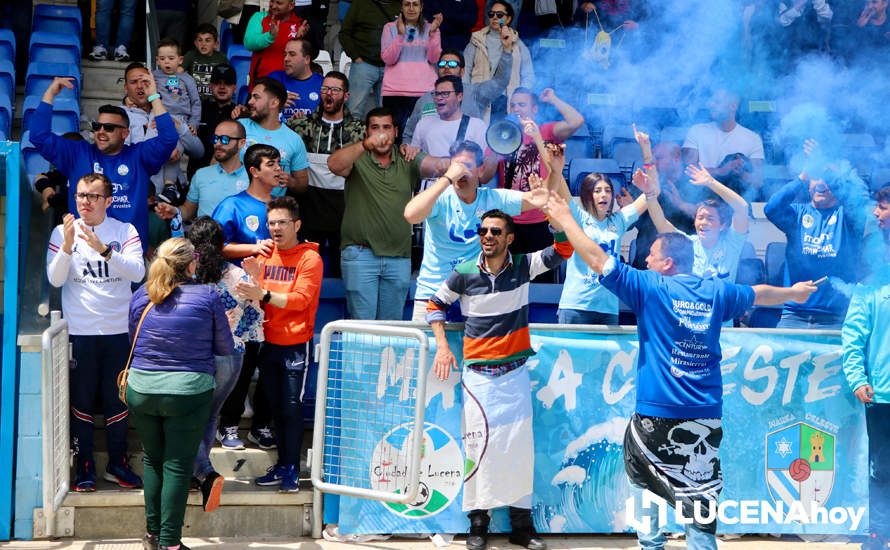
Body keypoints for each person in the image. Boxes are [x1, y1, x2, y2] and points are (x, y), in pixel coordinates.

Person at [545, 188, 817, 550]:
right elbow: (760, 292)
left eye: (651, 256)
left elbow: (597, 259)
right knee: (701, 501)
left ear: (668, 262)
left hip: (656, 415)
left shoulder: (649, 286)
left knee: (644, 482)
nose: (645, 262)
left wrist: (565, 219)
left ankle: (651, 544)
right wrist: (794, 293)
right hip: (707, 418)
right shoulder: (716, 291)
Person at [427, 209, 572, 550]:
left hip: (515, 374)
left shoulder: (523, 265)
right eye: (483, 230)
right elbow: (435, 305)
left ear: (510, 238)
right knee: (478, 450)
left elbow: (563, 250)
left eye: (495, 231)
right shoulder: (463, 273)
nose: (487, 236)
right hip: (478, 377)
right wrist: (443, 348)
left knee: (519, 450)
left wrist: (552, 216)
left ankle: (521, 527)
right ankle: (478, 525)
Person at [127, 237, 234, 550]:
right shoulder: (208, 296)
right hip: (187, 392)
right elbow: (224, 348)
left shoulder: (139, 295)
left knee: (153, 461)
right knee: (176, 464)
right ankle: (170, 543)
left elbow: (134, 339)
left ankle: (153, 535)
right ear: (191, 264)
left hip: (142, 389)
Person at [46, 173, 146, 492]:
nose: (85, 202)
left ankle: (118, 462)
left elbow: (138, 272)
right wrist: (67, 245)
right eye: (80, 196)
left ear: (108, 201)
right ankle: (84, 464)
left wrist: (104, 250)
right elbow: (56, 279)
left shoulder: (124, 230)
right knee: (81, 401)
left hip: (119, 331)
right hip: (80, 332)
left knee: (118, 400)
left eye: (92, 196)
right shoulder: (62, 231)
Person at [234, 197, 323, 493]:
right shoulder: (266, 253)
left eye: (282, 222)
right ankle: (283, 465)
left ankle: (292, 469)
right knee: (274, 408)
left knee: (291, 408)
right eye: (271, 222)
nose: (275, 228)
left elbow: (301, 300)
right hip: (266, 342)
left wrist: (264, 292)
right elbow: (254, 297)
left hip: (295, 344)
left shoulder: (310, 258)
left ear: (296, 224)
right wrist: (253, 284)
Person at [404, 140, 548, 321]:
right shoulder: (439, 197)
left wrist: (555, 171)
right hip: (432, 293)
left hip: (474, 295)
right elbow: (410, 215)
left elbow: (539, 199)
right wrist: (447, 179)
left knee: (475, 350)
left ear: (480, 170)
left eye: (467, 166)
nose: (461, 171)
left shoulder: (492, 198)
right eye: (456, 165)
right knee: (429, 349)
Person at [31, 76, 179, 251]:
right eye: (97, 126)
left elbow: (169, 138)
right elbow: (38, 136)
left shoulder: (139, 156)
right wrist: (50, 94)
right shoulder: (78, 153)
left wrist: (154, 96)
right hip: (84, 258)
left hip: (127, 257)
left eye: (109, 128)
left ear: (125, 133)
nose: (101, 132)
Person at [328, 106, 446, 320]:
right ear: (366, 133)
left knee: (392, 331)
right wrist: (365, 145)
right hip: (360, 254)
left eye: (386, 127)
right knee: (362, 330)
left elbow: (439, 166)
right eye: (375, 128)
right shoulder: (357, 157)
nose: (381, 134)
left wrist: (455, 161)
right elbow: (334, 164)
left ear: (396, 132)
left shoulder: (407, 157)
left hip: (398, 257)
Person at [187, 216, 265, 512]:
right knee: (210, 416)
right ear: (222, 245)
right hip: (231, 355)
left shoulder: (187, 276)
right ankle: (202, 473)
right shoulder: (236, 276)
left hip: (195, 355)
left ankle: (203, 473)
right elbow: (254, 320)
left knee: (192, 416)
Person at [211, 144, 281, 450]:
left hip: (275, 293)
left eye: (280, 163)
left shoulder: (282, 207)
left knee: (271, 362)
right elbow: (213, 246)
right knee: (240, 361)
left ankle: (262, 425)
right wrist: (254, 248)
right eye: (272, 164)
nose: (279, 169)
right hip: (239, 298)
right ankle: (228, 424)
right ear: (254, 170)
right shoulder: (233, 205)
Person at [764, 141, 870, 329]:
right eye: (815, 178)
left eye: (825, 179)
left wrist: (825, 167)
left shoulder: (848, 216)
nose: (821, 183)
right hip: (794, 314)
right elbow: (771, 208)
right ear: (808, 185)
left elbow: (858, 200)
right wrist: (803, 176)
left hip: (835, 317)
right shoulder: (796, 214)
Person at [841, 185, 890, 550]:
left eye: (884, 207)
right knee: (882, 470)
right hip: (884, 394)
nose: (878, 214)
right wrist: (857, 377)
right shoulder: (871, 284)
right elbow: (853, 335)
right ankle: (879, 534)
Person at [482, 87, 584, 255]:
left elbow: (576, 121)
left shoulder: (545, 131)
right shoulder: (499, 134)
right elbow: (485, 177)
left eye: (521, 104)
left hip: (542, 216)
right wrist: (495, 147)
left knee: (542, 273)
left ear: (534, 109)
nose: (516, 109)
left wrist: (553, 99)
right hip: (509, 218)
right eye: (513, 105)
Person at [286, 71, 366, 277]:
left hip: (345, 210)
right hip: (309, 209)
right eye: (324, 88)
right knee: (307, 271)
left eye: (335, 90)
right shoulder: (300, 126)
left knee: (345, 273)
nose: (328, 93)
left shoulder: (360, 131)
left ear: (346, 96)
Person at [646, 163, 751, 283]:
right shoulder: (687, 244)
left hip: (721, 301)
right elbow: (661, 222)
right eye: (700, 217)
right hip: (693, 301)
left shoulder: (732, 243)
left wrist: (711, 182)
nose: (704, 222)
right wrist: (649, 194)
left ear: (722, 225)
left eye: (710, 218)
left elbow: (742, 207)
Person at [404, 47, 511, 144]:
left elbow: (500, 82)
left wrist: (506, 52)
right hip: (431, 163)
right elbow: (408, 135)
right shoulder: (424, 100)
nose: (446, 67)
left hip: (466, 161)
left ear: (462, 71)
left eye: (452, 64)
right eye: (442, 64)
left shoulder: (475, 92)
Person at [682, 89, 765, 196]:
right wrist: (722, 171)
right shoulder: (697, 131)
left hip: (737, 203)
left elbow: (758, 181)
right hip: (702, 202)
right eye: (711, 101)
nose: (710, 104)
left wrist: (740, 173)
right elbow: (688, 171)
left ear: (733, 107)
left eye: (717, 102)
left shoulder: (753, 139)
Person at [234, 77, 311, 193]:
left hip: (271, 209)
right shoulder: (239, 127)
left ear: (274, 102)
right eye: (251, 97)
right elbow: (216, 165)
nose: (250, 101)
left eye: (256, 97)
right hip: (235, 206)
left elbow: (303, 185)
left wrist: (291, 182)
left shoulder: (294, 139)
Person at [463, 2, 534, 120]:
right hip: (480, 99)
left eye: (500, 15)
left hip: (507, 99)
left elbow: (528, 74)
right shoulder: (476, 40)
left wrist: (520, 96)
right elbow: (465, 70)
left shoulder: (518, 44)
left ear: (508, 19)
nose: (495, 17)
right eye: (491, 14)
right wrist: (469, 95)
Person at [380, 0, 443, 133]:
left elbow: (434, 58)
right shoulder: (390, 27)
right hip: (395, 91)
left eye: (415, 4)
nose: (411, 8)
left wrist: (433, 34)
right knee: (394, 138)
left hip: (424, 91)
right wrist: (401, 35)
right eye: (407, 4)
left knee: (423, 137)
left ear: (421, 7)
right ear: (401, 7)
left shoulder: (431, 28)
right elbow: (388, 59)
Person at [339, 0, 402, 119]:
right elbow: (344, 33)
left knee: (387, 115)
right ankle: (352, 138)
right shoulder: (360, 4)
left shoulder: (401, 5)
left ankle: (384, 138)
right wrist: (356, 57)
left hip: (390, 67)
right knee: (353, 112)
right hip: (363, 64)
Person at [182, 120, 249, 221]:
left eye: (225, 139)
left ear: (241, 143)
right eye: (215, 138)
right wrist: (173, 211)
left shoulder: (254, 178)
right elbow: (188, 212)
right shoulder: (201, 174)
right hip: (205, 236)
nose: (217, 144)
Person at [411, 75, 488, 157]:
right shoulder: (423, 123)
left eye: (445, 93)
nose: (439, 98)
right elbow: (414, 156)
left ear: (459, 97)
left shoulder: (477, 126)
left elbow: (483, 163)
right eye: (436, 94)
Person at [188, 64, 240, 178]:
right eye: (217, 82)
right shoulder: (198, 109)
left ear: (234, 87)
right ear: (211, 86)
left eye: (227, 83)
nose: (222, 87)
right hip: (195, 174)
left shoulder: (238, 114)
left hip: (226, 177)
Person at [244, 0, 310, 82]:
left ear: (291, 6)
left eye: (279, 3)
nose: (273, 6)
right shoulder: (259, 17)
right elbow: (249, 43)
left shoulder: (300, 25)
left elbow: (308, 57)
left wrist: (299, 40)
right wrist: (270, 36)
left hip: (290, 86)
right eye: (272, 1)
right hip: (261, 83)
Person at [267, 39, 325, 121]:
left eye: (292, 54)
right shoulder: (273, 79)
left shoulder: (323, 84)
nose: (286, 59)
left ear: (307, 59)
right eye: (285, 54)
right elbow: (257, 109)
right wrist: (276, 104)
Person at [153, 37, 202, 129]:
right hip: (157, 116)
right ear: (157, 61)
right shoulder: (152, 76)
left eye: (171, 58)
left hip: (181, 118)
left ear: (180, 60)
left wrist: (194, 123)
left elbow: (195, 102)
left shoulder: (187, 79)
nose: (166, 61)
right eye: (162, 58)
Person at [183, 24, 231, 100]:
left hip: (214, 101)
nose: (203, 44)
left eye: (207, 40)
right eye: (200, 40)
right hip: (193, 100)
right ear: (195, 43)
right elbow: (178, 71)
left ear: (216, 44)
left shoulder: (222, 58)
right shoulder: (191, 55)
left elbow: (228, 81)